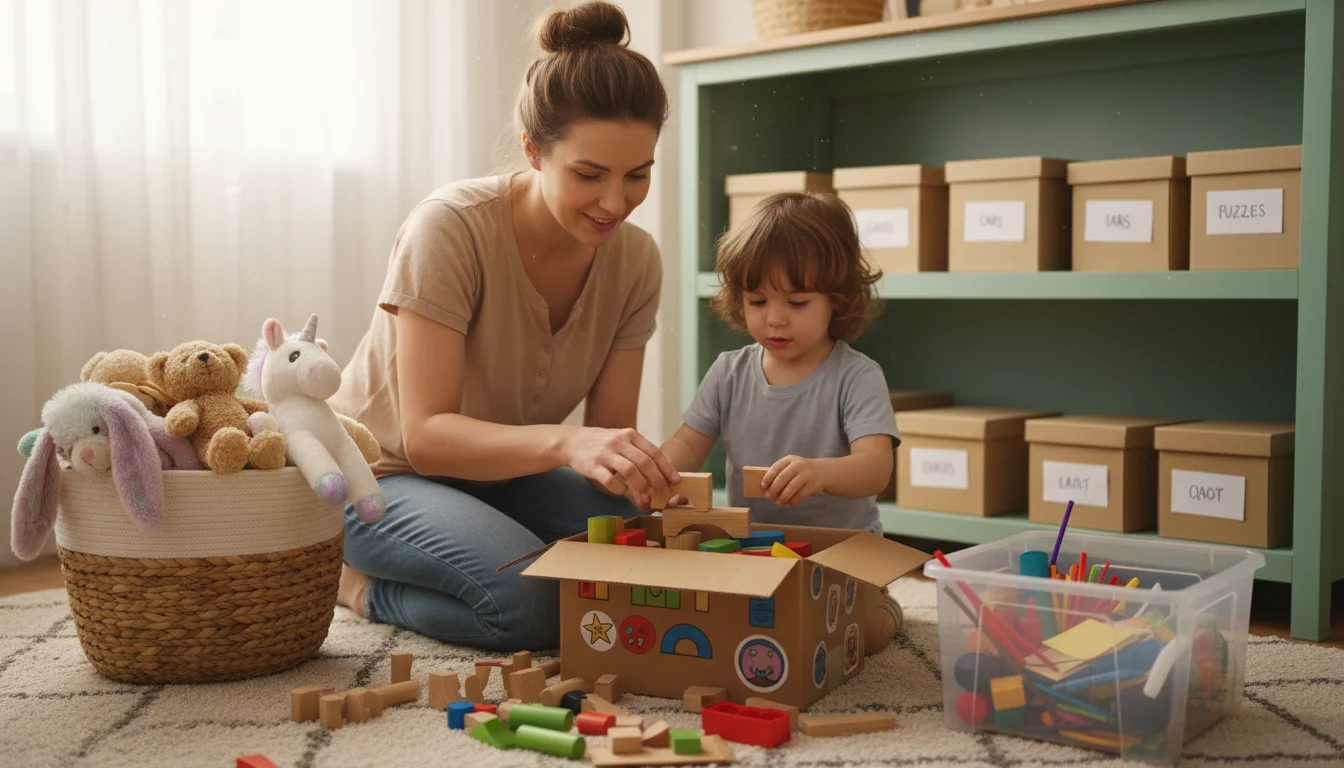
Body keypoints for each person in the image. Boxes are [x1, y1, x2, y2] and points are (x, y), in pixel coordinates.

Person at [328, 0, 680, 651]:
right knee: (528, 604)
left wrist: (647, 482)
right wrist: (565, 446)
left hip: (505, 477)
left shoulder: (636, 261)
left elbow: (602, 437)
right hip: (380, 478)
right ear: (533, 151)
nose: (616, 202)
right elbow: (427, 437)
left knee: (647, 555)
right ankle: (354, 585)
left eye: (638, 176)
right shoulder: (451, 228)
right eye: (589, 174)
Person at [652, 190, 905, 655]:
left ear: (838, 299)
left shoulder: (857, 375)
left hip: (842, 549)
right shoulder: (729, 370)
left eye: (797, 302)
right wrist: (659, 475)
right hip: (752, 547)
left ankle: (885, 602)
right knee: (708, 620)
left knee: (860, 633)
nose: (775, 319)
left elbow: (875, 467)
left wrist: (820, 472)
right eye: (757, 300)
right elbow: (687, 443)